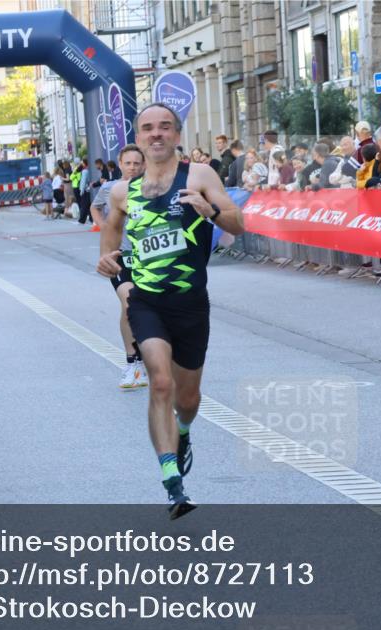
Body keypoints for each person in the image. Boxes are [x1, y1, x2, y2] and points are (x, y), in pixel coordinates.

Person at [96, 102, 245, 519]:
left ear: (177, 134)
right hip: (147, 301)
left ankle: (183, 433)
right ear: (139, 138)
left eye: (164, 127)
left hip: (191, 303)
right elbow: (109, 244)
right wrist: (117, 276)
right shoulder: (123, 191)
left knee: (188, 397)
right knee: (160, 382)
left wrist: (209, 208)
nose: (156, 134)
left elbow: (238, 224)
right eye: (148, 129)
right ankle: (172, 483)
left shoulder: (198, 176)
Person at [93, 145, 149, 389]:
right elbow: (95, 207)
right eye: (128, 163)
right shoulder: (110, 189)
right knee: (128, 302)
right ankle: (133, 363)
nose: (133, 167)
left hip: (147, 257)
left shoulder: (151, 189)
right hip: (120, 255)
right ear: (120, 163)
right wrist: (103, 226)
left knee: (149, 306)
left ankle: (151, 353)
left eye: (137, 163)